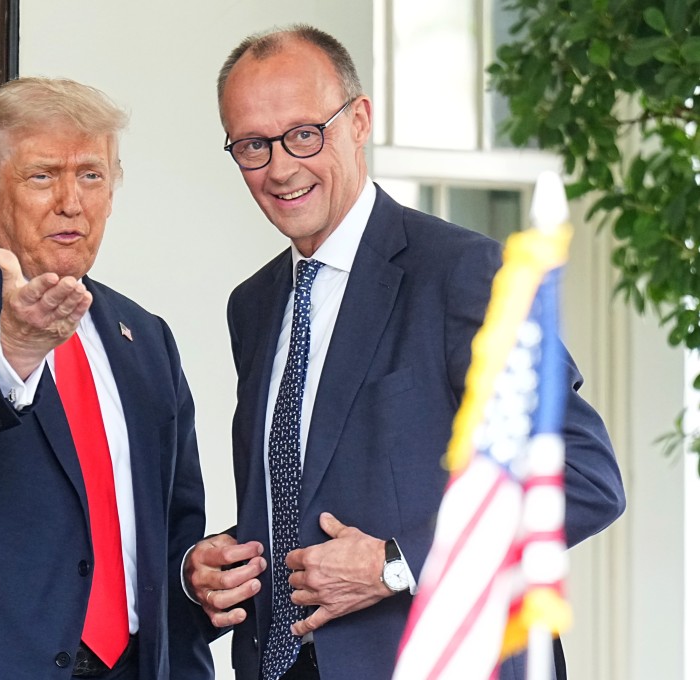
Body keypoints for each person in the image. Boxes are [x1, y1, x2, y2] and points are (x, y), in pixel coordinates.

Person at [183, 24, 626, 680]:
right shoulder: (253, 305)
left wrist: (396, 563)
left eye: (304, 134)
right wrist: (214, 569)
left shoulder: (465, 273)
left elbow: (583, 476)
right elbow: (307, 489)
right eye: (253, 145)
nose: (279, 167)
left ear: (359, 120)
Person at [0, 76, 214, 680]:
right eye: (42, 176)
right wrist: (14, 351)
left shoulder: (145, 337)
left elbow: (174, 535)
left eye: (91, 175)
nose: (71, 202)